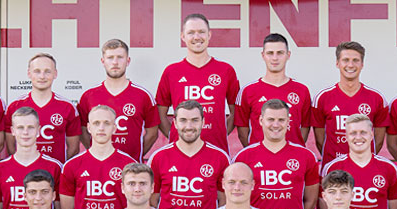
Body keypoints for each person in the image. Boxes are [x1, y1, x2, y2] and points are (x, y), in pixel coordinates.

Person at [155, 13, 239, 154]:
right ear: (183, 37)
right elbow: (159, 114)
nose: (197, 37)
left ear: (209, 35)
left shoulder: (226, 70)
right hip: (179, 153)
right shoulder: (171, 72)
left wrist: (220, 133)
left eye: (201, 32)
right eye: (191, 33)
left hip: (216, 150)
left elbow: (236, 112)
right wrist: (176, 135)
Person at [78, 39, 159, 162]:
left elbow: (152, 134)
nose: (115, 62)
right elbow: (83, 131)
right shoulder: (88, 96)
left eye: (120, 57)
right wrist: (98, 151)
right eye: (110, 58)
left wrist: (134, 156)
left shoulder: (143, 96)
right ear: (103, 61)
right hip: (99, 165)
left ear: (128, 61)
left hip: (131, 169)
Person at [311, 41, 388, 165]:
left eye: (355, 60)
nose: (350, 65)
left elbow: (378, 141)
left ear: (362, 64)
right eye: (345, 60)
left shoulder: (377, 98)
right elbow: (320, 141)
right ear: (337, 63)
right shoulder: (322, 98)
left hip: (365, 167)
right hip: (333, 169)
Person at [235, 33, 312, 147]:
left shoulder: (302, 90)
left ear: (288, 55)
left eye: (280, 53)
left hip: (292, 156)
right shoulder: (248, 91)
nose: (275, 58)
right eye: (270, 53)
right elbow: (242, 131)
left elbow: (304, 128)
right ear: (263, 55)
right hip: (259, 157)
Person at [0, 107, 62, 209]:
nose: (25, 132)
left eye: (30, 127)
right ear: (13, 131)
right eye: (20, 127)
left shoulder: (54, 167)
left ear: (38, 130)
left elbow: (59, 208)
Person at [4, 53, 80, 161]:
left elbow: (74, 148)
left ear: (55, 74)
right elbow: (11, 147)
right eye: (37, 71)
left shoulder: (68, 107)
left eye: (47, 71)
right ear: (29, 74)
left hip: (55, 171)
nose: (42, 76)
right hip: (25, 170)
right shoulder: (14, 107)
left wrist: (57, 166)